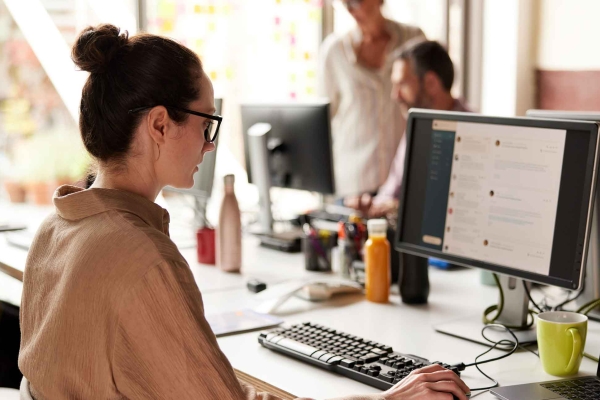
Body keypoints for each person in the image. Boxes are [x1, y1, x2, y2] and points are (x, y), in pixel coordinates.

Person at [18, 25, 469, 400]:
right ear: (159, 124)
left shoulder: (56, 228)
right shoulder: (143, 259)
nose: (211, 144)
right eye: (205, 122)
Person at [346, 40, 471, 217]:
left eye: (402, 84)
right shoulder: (418, 125)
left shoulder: (475, 133)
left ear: (431, 83)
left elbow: (461, 207)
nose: (395, 95)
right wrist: (372, 206)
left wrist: (398, 207)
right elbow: (393, 191)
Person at [318, 0, 425, 197]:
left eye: (356, 1)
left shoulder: (413, 39)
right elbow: (322, 121)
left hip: (404, 184)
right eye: (345, 2)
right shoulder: (334, 51)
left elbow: (428, 102)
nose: (350, 8)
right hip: (354, 186)